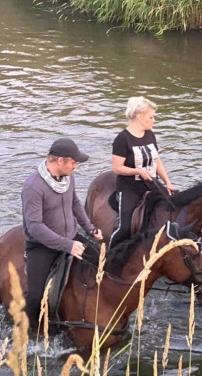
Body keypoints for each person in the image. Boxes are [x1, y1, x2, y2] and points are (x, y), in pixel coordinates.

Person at [22, 138, 103, 326]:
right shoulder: (33, 187)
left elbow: (75, 203)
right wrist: (68, 245)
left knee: (101, 264)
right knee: (35, 297)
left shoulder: (68, 177)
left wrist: (89, 228)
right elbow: (34, 226)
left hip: (71, 237)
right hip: (42, 245)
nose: (76, 166)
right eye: (74, 162)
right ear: (60, 161)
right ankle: (28, 333)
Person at [109, 96, 175, 249]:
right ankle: (109, 254)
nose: (154, 120)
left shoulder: (150, 134)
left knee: (173, 209)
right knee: (125, 227)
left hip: (151, 183)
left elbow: (156, 160)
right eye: (151, 117)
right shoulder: (122, 139)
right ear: (139, 116)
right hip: (130, 187)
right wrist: (137, 171)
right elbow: (117, 167)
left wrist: (167, 183)